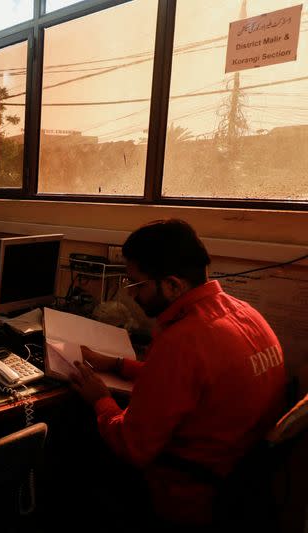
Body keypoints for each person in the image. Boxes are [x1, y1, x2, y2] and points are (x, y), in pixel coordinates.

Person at [70, 219, 287, 527]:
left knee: (76, 440)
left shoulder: (181, 339)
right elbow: (196, 378)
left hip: (185, 493)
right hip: (239, 480)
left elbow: (133, 447)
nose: (131, 295)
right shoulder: (242, 312)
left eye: (137, 284)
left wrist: (100, 400)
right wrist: (120, 365)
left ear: (172, 285)